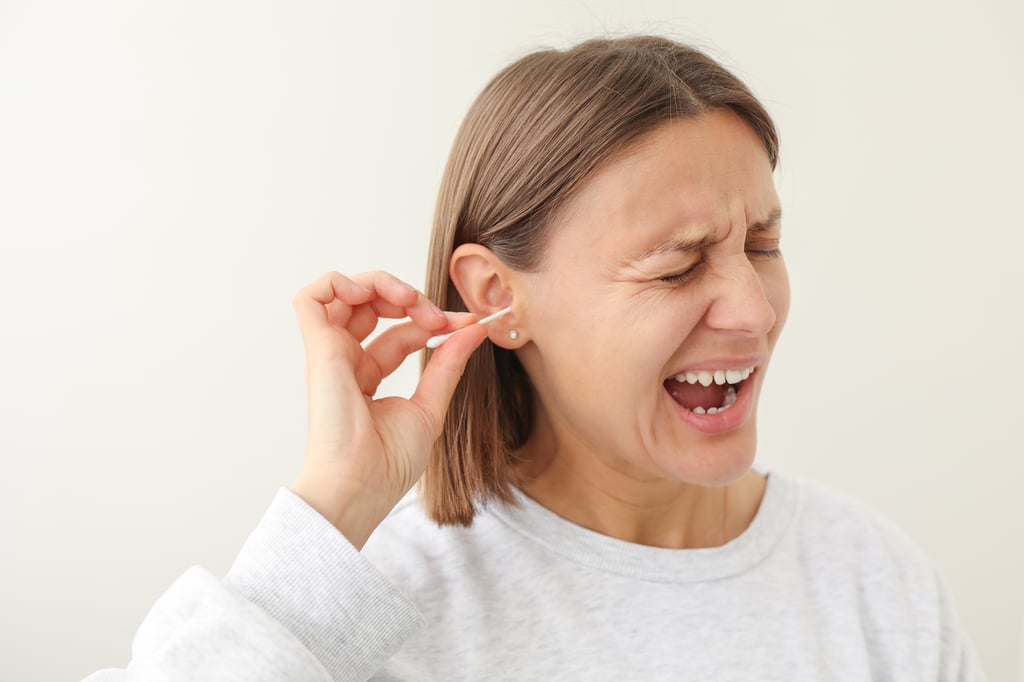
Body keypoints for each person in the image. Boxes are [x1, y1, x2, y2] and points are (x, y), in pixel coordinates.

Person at [85, 36, 985, 681]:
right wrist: (329, 516)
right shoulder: (365, 615)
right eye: (677, 264)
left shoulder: (876, 584)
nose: (752, 312)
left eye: (761, 246)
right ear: (498, 300)